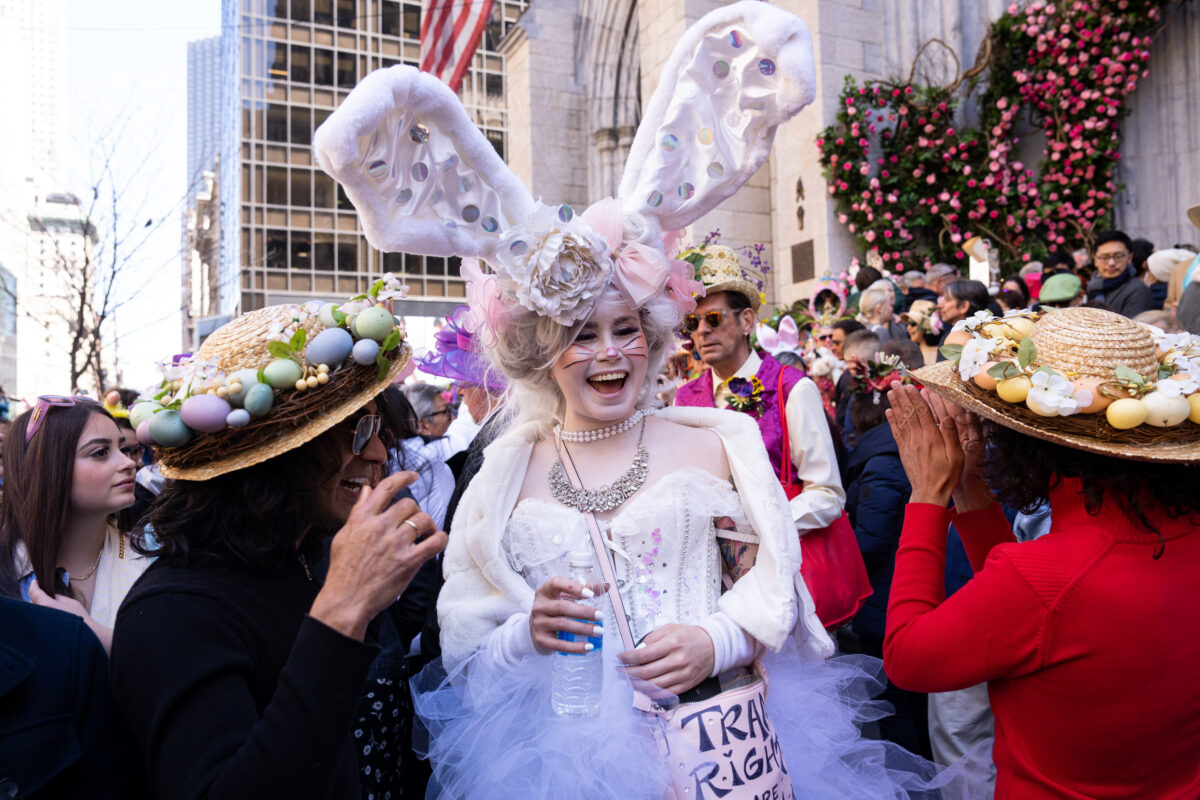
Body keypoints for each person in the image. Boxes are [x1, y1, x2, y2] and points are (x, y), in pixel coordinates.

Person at [314, 8, 956, 796]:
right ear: (543, 354)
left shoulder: (717, 438)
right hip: (564, 763)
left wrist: (720, 638)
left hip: (728, 738)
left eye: (627, 329)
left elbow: (776, 579)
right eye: (582, 334)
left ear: (655, 337)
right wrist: (528, 634)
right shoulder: (503, 474)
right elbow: (468, 643)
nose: (609, 352)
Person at [110, 300, 447, 799]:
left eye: (379, 431)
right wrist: (343, 610)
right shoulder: (173, 611)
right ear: (280, 454)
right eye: (359, 431)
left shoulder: (302, 558)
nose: (377, 454)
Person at [884, 307, 1200, 798]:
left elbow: (908, 658)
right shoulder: (1159, 540)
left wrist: (927, 494)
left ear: (1027, 441)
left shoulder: (1043, 577)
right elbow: (1038, 614)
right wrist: (970, 493)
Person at [675, 244, 846, 555]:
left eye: (713, 318)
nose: (701, 331)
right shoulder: (684, 398)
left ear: (746, 321)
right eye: (692, 322)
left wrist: (758, 530)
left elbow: (827, 493)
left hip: (784, 563)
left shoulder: (792, 388)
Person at [0, 396, 150, 653]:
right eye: (100, 452)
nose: (129, 463)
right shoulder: (8, 565)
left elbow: (180, 667)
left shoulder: (155, 557)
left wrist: (92, 631)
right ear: (46, 467)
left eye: (123, 449)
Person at [840, 356, 929, 759]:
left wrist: (838, 559)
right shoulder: (892, 455)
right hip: (898, 591)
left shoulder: (879, 463)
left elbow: (872, 539)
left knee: (897, 705)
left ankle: (913, 776)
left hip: (888, 597)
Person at [1085, 230, 1154, 318]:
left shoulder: (1138, 290)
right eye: (1104, 257)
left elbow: (1133, 327)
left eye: (1118, 256)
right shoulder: (1092, 287)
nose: (1111, 263)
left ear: (1129, 258)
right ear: (1095, 260)